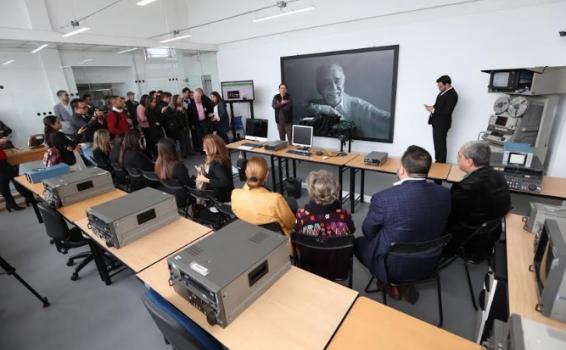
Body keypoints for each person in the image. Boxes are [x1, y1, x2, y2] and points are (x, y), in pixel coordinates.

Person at [354, 145, 450, 300]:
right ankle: (401, 284)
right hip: (428, 262)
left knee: (358, 243)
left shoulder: (383, 198)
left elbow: (368, 231)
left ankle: (389, 283)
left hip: (392, 268)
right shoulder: (445, 194)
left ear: (402, 170)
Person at [444, 141, 511, 259]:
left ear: (469, 162)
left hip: (468, 240)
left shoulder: (464, 188)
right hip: (489, 237)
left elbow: (449, 217)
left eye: (459, 156)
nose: (457, 158)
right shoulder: (498, 176)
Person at [306, 64, 391, 140]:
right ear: (319, 87)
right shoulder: (312, 106)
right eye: (326, 82)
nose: (333, 87)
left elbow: (389, 120)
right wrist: (325, 109)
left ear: (343, 83)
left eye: (337, 81)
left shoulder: (360, 107)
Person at [232, 157, 295, 237]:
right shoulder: (275, 199)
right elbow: (291, 223)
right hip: (279, 241)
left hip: (248, 236)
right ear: (267, 175)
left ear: (245, 172)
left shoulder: (235, 194)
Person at [294, 170, 355, 237]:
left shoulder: (301, 215)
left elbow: (296, 230)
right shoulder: (344, 215)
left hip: (310, 247)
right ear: (335, 191)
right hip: (336, 246)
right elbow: (352, 231)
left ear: (311, 191)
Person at [425, 75, 458, 163]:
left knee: (441, 145)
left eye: (440, 86)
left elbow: (448, 111)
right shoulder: (442, 92)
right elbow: (439, 106)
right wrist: (432, 107)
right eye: (438, 86)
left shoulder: (453, 94)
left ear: (447, 84)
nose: (439, 88)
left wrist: (433, 110)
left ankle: (441, 164)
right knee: (437, 144)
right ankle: (438, 161)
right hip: (437, 123)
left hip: (443, 124)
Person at [196, 135, 234, 202]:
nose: (203, 149)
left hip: (221, 198)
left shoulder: (216, 163)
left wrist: (205, 179)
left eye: (205, 147)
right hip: (223, 194)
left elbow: (224, 181)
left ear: (211, 147)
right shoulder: (219, 157)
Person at [0, 137, 33, 211]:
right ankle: (29, 199)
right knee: (16, 180)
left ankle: (11, 204)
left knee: (4, 183)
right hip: (1, 161)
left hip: (2, 159)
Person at [187, 88, 213, 152]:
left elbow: (209, 110)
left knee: (206, 135)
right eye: (195, 97)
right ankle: (202, 149)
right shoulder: (191, 105)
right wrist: (192, 124)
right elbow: (189, 116)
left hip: (205, 121)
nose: (197, 98)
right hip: (197, 123)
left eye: (198, 97)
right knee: (199, 136)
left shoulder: (204, 103)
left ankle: (209, 147)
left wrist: (209, 117)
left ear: (200, 96)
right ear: (193, 97)